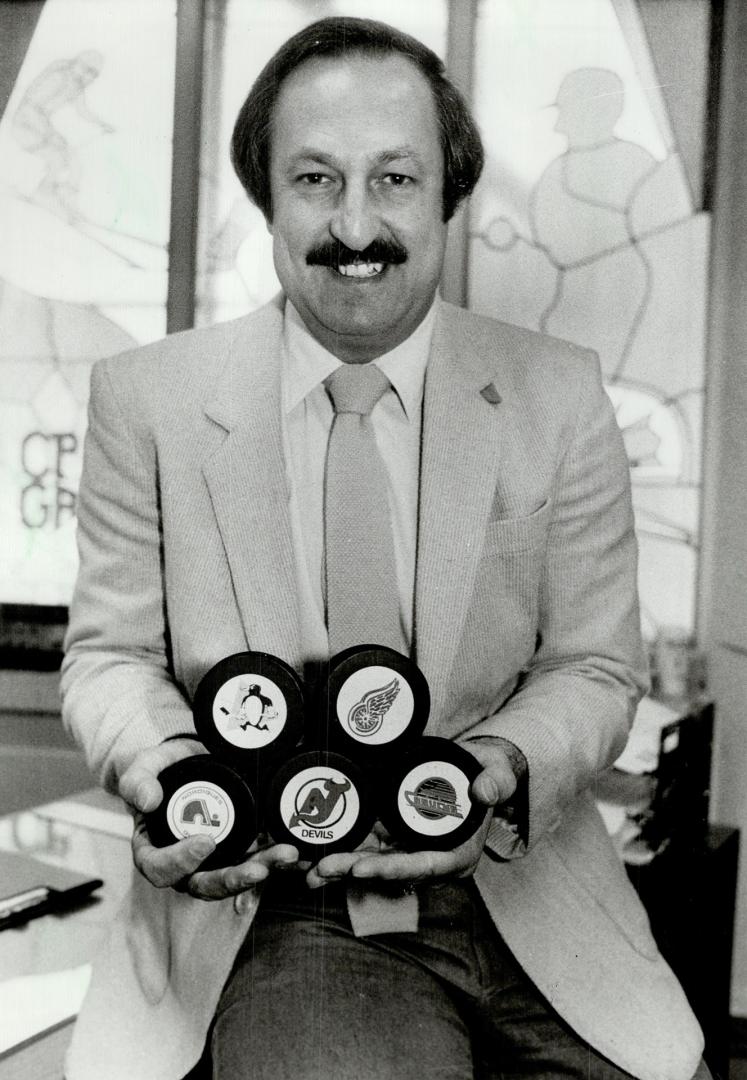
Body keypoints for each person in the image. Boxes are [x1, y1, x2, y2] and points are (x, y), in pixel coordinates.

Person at [61, 16, 706, 1080]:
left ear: (449, 193)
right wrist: (176, 780)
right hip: (282, 893)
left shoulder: (560, 392)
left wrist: (493, 772)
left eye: (395, 179)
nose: (355, 226)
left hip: (522, 879)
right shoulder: (148, 401)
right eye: (315, 178)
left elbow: (593, 667)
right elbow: (110, 657)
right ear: (264, 196)